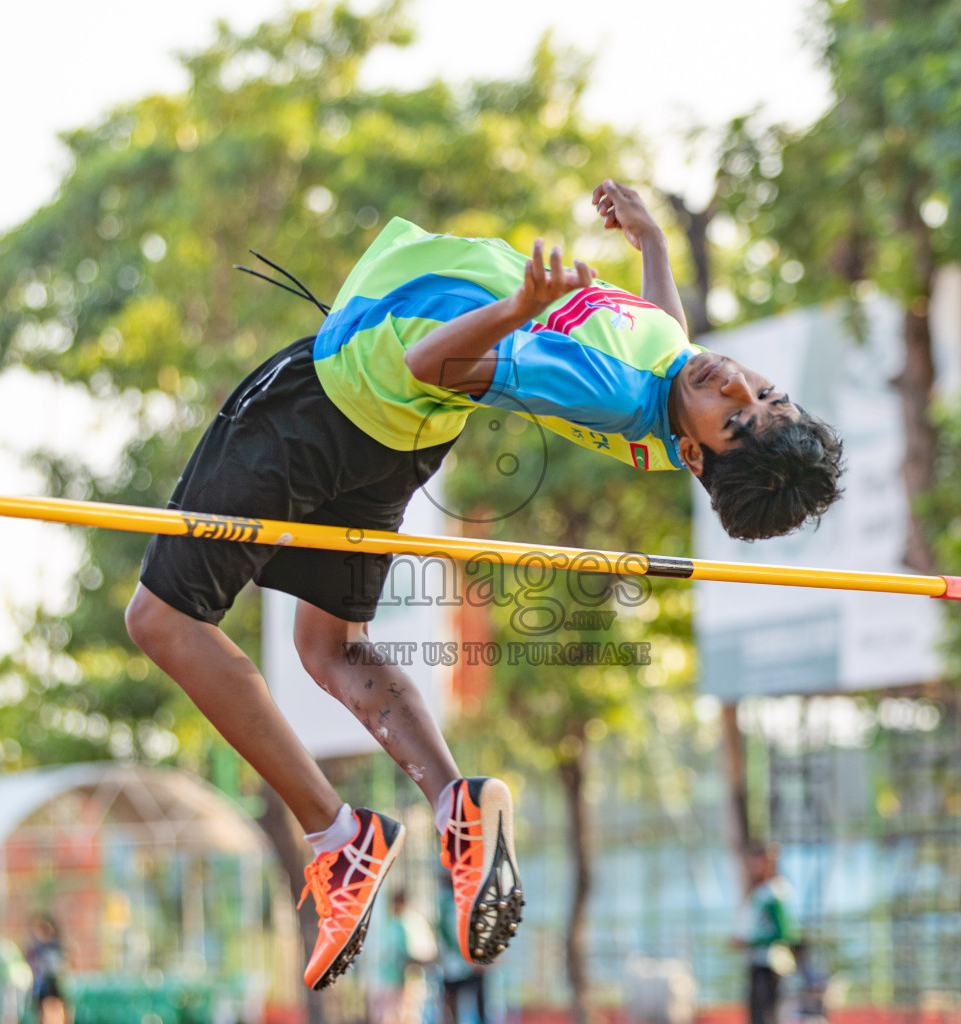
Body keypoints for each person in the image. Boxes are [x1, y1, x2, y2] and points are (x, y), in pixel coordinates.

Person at [124, 179, 844, 990]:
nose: (736, 386)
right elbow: (670, 344)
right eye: (763, 391)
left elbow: (427, 362)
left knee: (163, 620)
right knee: (327, 645)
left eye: (738, 418)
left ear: (694, 454)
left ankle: (335, 837)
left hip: (332, 401)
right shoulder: (672, 370)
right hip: (397, 437)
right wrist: (655, 248)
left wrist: (518, 306)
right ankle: (453, 804)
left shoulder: (603, 387)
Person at [733, 844, 796, 1024]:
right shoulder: (760, 891)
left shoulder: (774, 892)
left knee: (766, 1015)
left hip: (770, 963)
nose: (753, 868)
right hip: (757, 961)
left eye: (758, 863)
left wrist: (748, 941)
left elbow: (784, 933)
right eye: (751, 863)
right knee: (757, 1014)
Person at [369, 893, 436, 1024]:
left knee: (405, 1015)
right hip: (394, 979)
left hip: (407, 979)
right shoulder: (394, 924)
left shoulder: (407, 923)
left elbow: (418, 953)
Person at [435, 876, 487, 1024]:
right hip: (459, 963)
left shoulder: (452, 903)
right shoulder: (449, 904)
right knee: (457, 1003)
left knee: (465, 1003)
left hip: (462, 963)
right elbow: (450, 934)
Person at [26, 917, 68, 1024]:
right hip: (42, 985)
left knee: (54, 1004)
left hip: (52, 983)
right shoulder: (36, 948)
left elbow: (60, 965)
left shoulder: (54, 946)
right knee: (46, 1006)